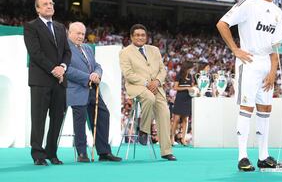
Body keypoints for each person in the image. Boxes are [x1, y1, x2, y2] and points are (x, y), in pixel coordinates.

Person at [216, 0, 282, 172]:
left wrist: (273, 71)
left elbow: (276, 45)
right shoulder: (249, 4)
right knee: (247, 108)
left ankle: (263, 156)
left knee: (265, 109)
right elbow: (222, 24)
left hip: (267, 64)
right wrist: (235, 49)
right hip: (249, 61)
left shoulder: (278, 12)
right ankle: (242, 156)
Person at [23, 0, 72, 166]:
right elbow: (35, 53)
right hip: (41, 80)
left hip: (59, 81)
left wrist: (63, 68)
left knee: (57, 118)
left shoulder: (60, 27)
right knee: (38, 118)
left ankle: (52, 152)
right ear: (37, 9)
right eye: (45, 4)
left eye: (51, 3)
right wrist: (54, 69)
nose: (49, 6)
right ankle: (38, 154)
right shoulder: (31, 27)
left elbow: (67, 52)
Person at [119, 24, 176, 161]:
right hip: (137, 86)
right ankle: (144, 130)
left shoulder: (154, 50)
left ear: (146, 37)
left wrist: (156, 81)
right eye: (137, 35)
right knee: (149, 97)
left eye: (143, 35)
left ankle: (166, 151)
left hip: (156, 87)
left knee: (165, 113)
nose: (140, 37)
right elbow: (128, 74)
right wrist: (146, 83)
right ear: (132, 37)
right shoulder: (125, 52)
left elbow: (162, 70)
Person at [66, 22, 121, 163]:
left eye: (82, 34)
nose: (80, 36)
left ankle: (104, 152)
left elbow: (97, 65)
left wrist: (97, 73)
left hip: (93, 90)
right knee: (80, 121)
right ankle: (82, 153)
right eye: (77, 33)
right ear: (69, 33)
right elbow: (68, 70)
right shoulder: (65, 49)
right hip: (77, 90)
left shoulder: (88, 48)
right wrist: (88, 77)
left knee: (103, 114)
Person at [171, 61, 195, 146]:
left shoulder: (190, 76)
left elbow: (192, 86)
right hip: (180, 98)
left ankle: (183, 139)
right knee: (176, 119)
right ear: (187, 67)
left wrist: (193, 88)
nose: (191, 69)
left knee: (186, 119)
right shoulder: (179, 75)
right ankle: (172, 138)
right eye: (190, 68)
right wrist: (186, 88)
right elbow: (175, 87)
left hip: (188, 98)